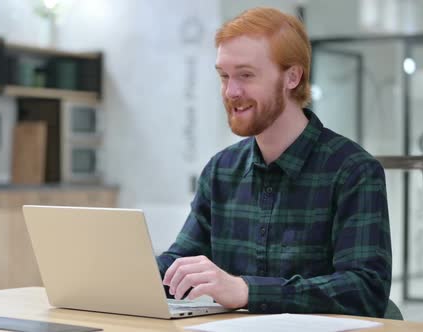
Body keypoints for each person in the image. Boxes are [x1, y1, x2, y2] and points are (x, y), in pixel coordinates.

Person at [156, 7, 392, 317]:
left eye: (246, 75)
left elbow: (364, 289)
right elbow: (181, 263)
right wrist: (127, 273)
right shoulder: (221, 170)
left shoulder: (353, 171)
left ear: (292, 77)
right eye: (224, 76)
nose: (230, 91)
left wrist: (246, 291)